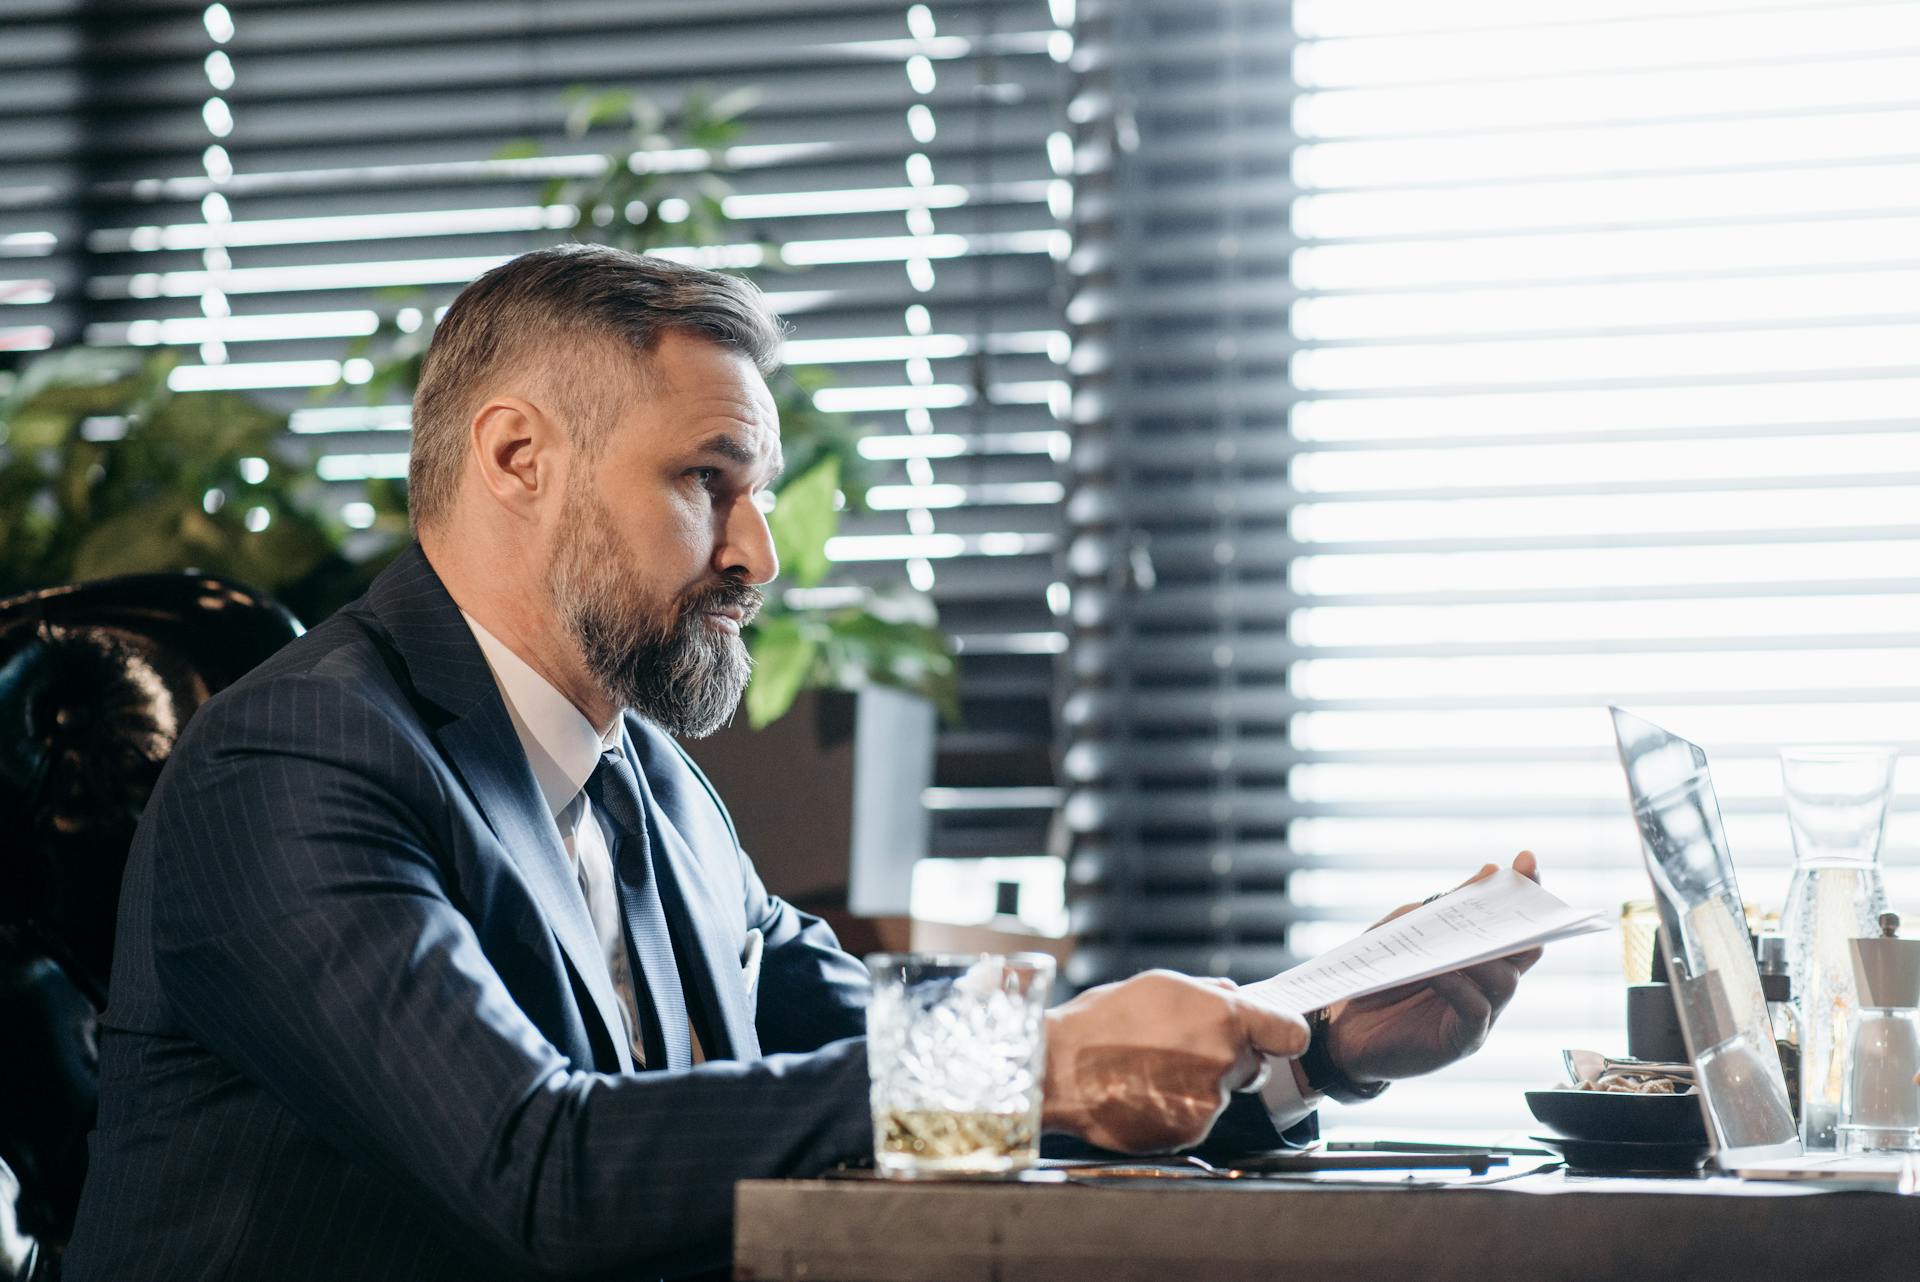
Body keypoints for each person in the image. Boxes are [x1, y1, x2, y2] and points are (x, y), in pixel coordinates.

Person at [64, 245, 1539, 1281]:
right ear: (518, 457)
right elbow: (540, 1169)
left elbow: (899, 1059)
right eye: (709, 482)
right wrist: (1046, 1062)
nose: (758, 555)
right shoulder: (301, 757)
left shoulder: (648, 789)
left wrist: (1307, 1041)